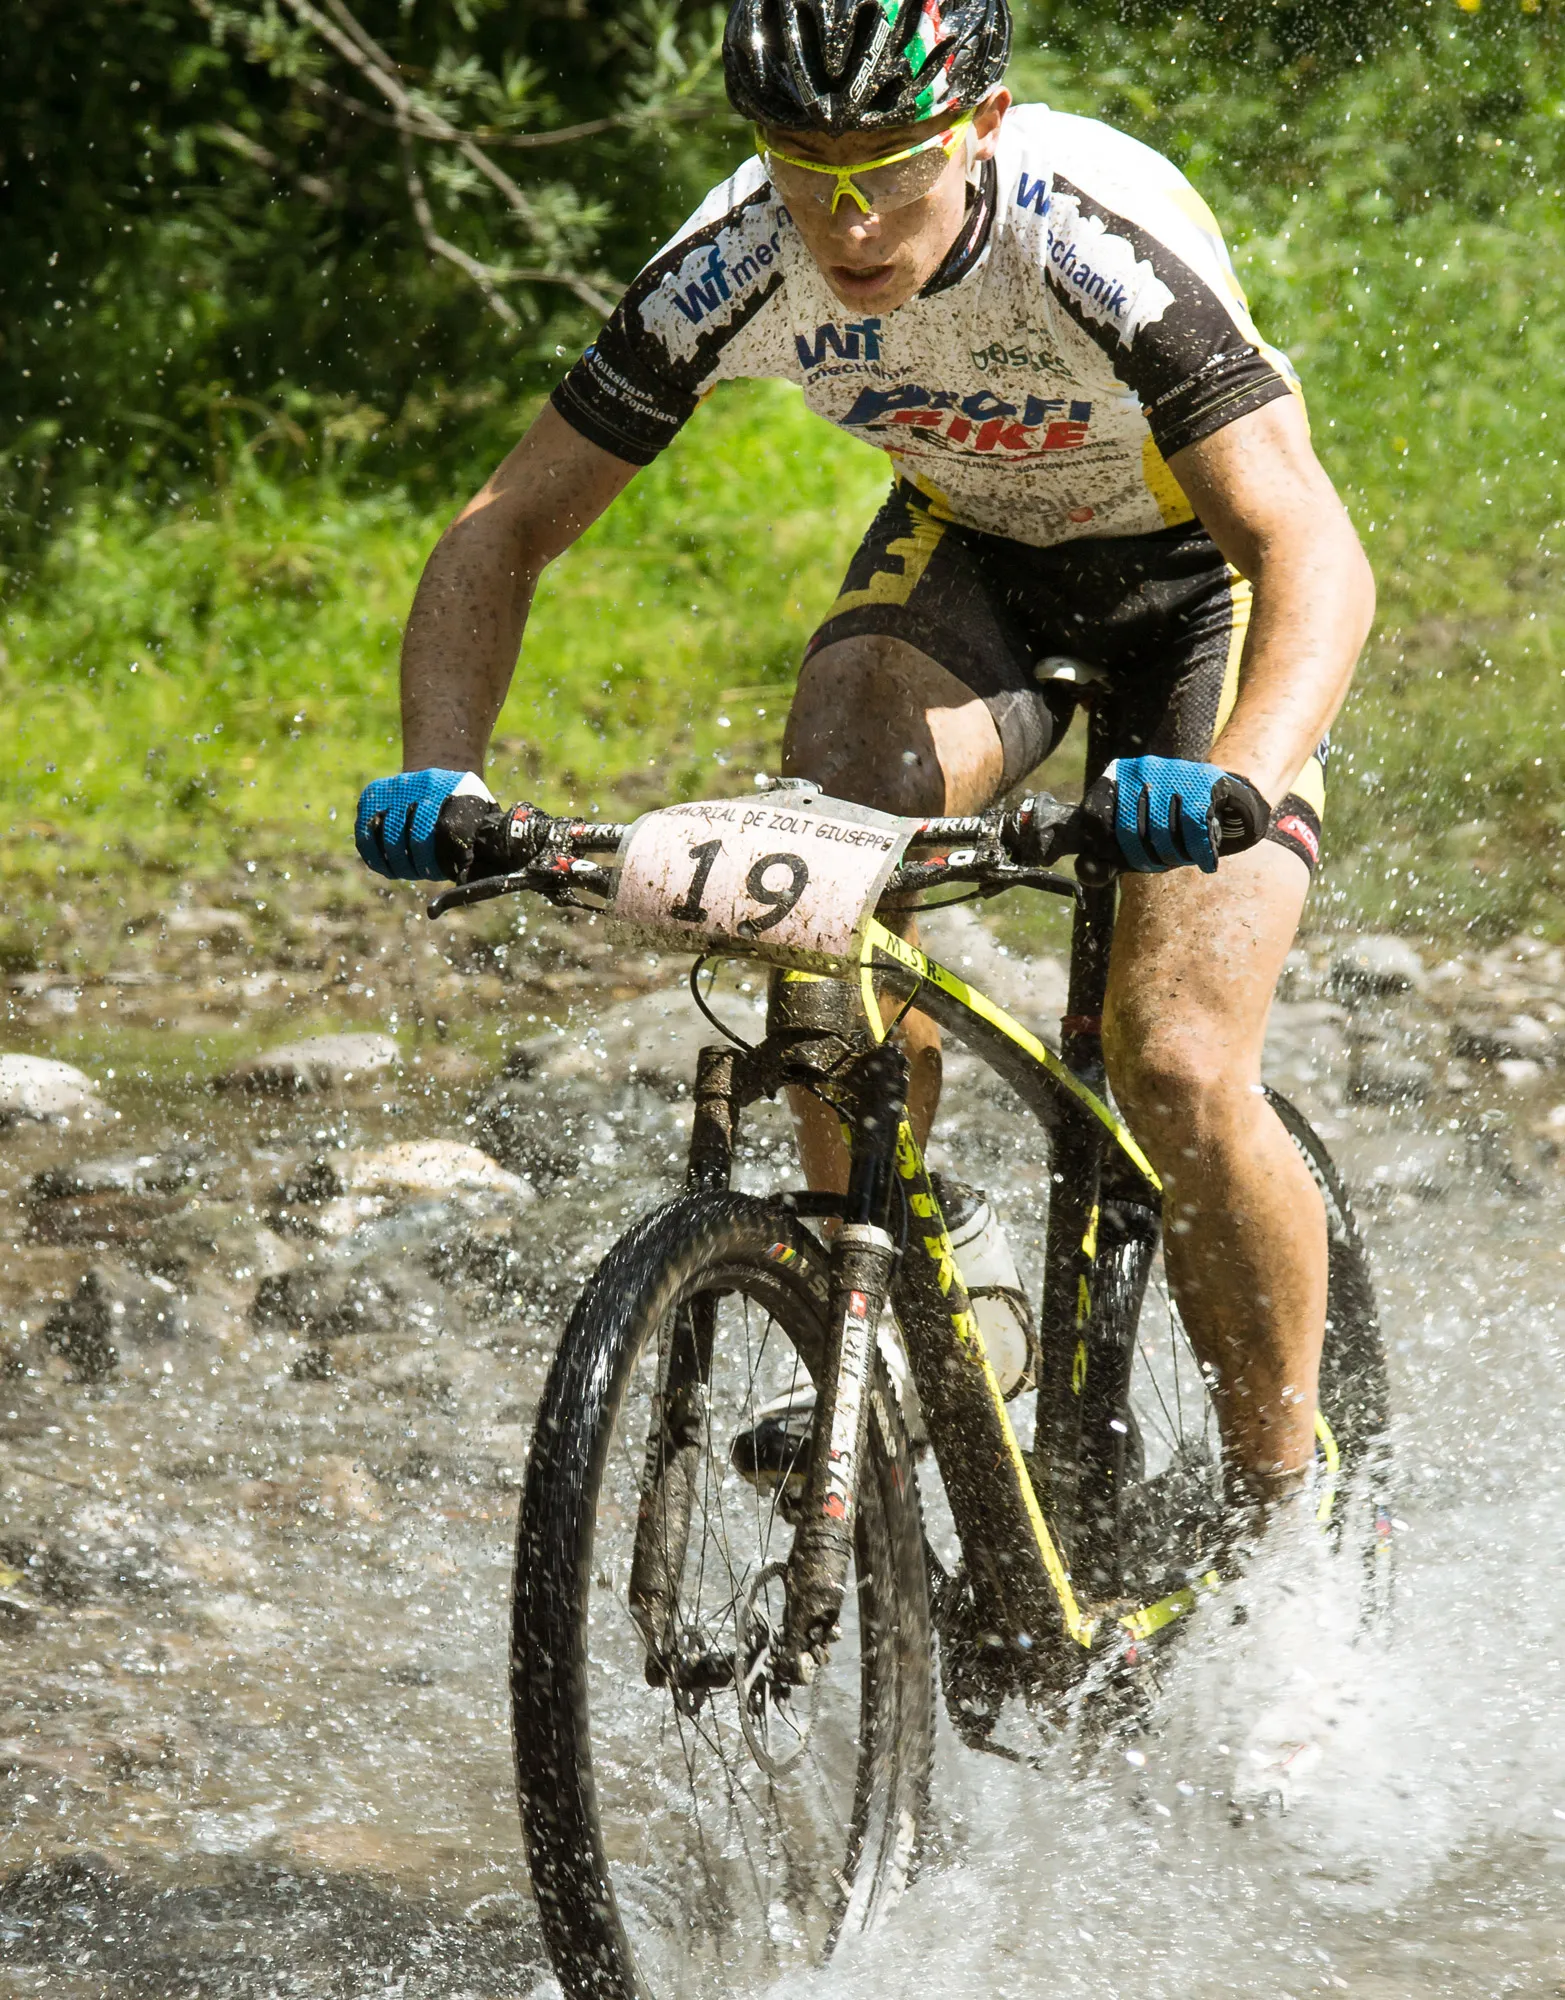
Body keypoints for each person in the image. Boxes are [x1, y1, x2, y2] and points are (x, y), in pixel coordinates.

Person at [355, 0, 1374, 1517]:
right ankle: (876, 1297)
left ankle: (1288, 1509)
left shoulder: (1081, 238)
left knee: (1173, 1063)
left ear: (980, 125)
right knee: (823, 847)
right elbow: (505, 527)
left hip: (1202, 583)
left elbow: (1311, 550)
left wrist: (1242, 773)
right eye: (801, 163)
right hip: (974, 554)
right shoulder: (734, 256)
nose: (845, 218)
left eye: (890, 165)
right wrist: (443, 769)